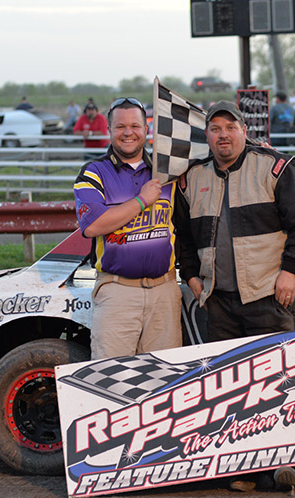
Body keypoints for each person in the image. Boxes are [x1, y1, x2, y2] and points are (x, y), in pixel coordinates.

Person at [174, 101, 295, 492]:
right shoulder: (191, 179)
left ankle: (285, 465)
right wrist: (190, 275)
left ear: (244, 129)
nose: (222, 134)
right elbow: (182, 237)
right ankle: (241, 468)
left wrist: (291, 270)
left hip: (269, 295)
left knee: (280, 383)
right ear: (206, 136)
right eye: (215, 128)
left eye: (230, 127)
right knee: (229, 390)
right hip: (218, 300)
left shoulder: (276, 167)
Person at [73, 97, 181, 360]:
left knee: (165, 380)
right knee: (111, 379)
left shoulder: (168, 171)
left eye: (135, 125)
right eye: (120, 127)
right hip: (118, 291)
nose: (128, 132)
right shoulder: (93, 172)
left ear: (147, 129)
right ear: (109, 131)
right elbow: (93, 226)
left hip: (164, 290)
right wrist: (142, 200)